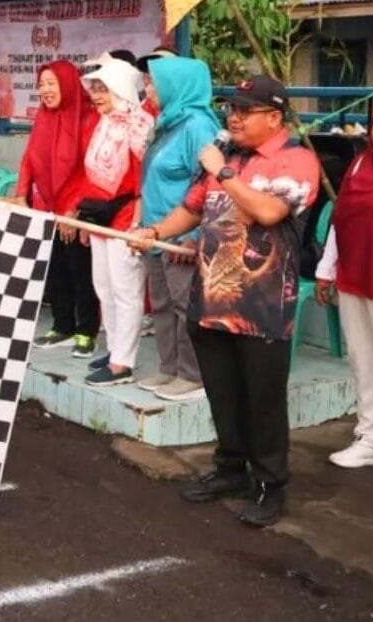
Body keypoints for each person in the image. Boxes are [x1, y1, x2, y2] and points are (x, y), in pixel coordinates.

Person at [133, 76, 320, 527]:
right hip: (210, 301)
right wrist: (155, 233)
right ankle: (231, 469)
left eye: (245, 110)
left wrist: (224, 171)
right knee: (223, 395)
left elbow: (270, 212)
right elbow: (193, 209)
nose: (233, 117)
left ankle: (271, 486)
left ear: (274, 117)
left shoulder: (296, 159)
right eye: (231, 109)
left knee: (263, 400)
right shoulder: (226, 156)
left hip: (263, 308)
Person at [138, 56, 218, 400]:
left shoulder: (198, 127)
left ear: (177, 86)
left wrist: (195, 235)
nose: (148, 89)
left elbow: (213, 186)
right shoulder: (167, 123)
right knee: (161, 303)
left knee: (187, 305)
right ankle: (168, 368)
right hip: (156, 232)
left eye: (153, 82)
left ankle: (193, 374)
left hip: (183, 237)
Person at [318, 102, 373, 476]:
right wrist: (326, 269)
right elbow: (340, 219)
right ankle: (372, 439)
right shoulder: (360, 164)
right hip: (355, 275)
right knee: (365, 361)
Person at [78, 59, 154, 386]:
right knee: (104, 289)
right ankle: (114, 350)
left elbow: (142, 182)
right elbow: (91, 175)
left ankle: (124, 362)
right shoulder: (104, 123)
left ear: (120, 89)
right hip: (100, 219)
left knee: (126, 291)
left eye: (102, 88)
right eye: (93, 88)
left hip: (126, 219)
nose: (96, 95)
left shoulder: (141, 126)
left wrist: (136, 223)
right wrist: (86, 220)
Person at [16, 61, 98, 358]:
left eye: (52, 83)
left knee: (81, 270)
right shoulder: (43, 116)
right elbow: (30, 157)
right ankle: (62, 325)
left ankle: (86, 331)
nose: (45, 90)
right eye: (42, 84)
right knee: (55, 268)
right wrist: (21, 193)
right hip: (48, 207)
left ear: (67, 83)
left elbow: (89, 169)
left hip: (76, 210)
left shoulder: (88, 117)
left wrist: (72, 211)